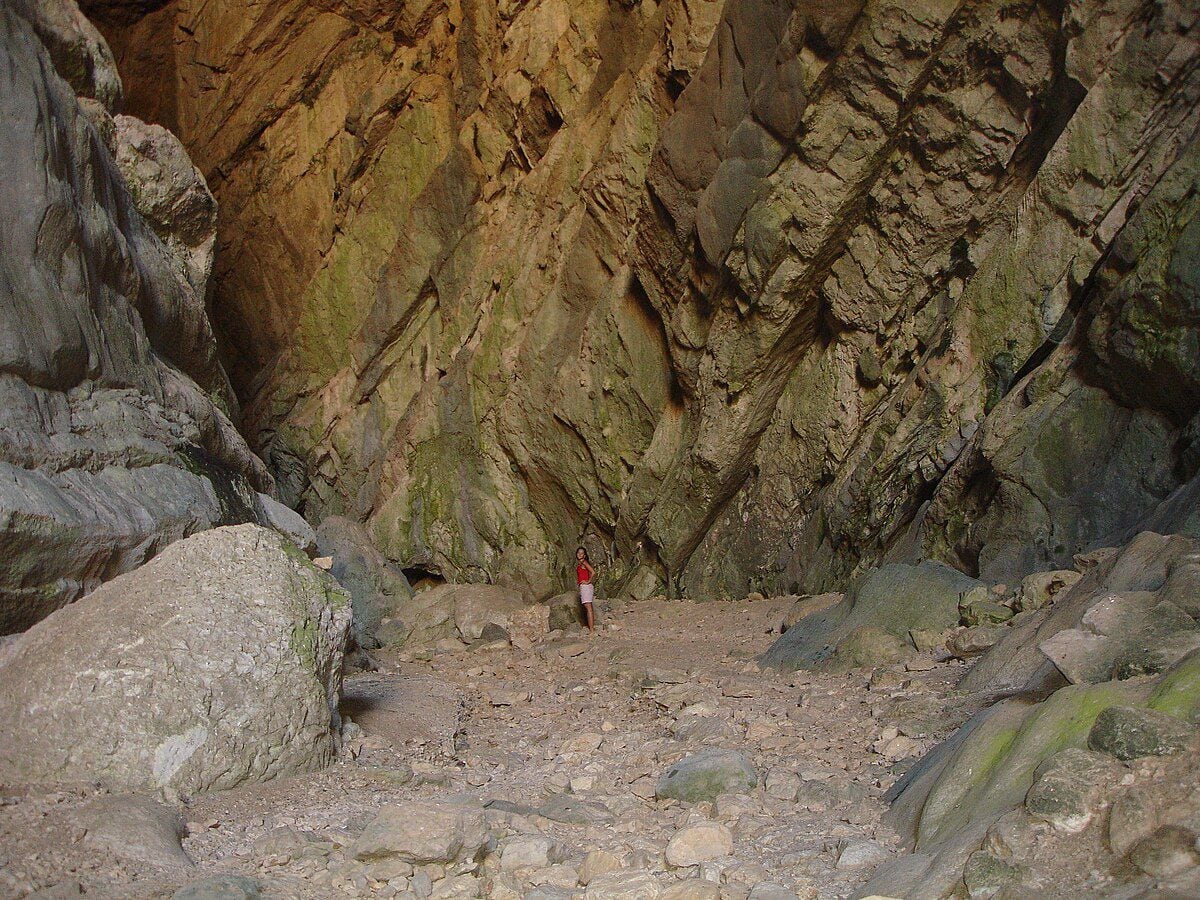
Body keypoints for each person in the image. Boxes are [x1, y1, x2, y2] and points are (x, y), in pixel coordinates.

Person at [575, 547, 596, 633]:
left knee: (589, 608)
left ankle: (591, 629)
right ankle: (591, 628)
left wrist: (588, 581)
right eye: (578, 553)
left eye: (582, 553)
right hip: (584, 587)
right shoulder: (580, 564)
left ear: (585, 555)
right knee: (588, 607)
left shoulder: (583, 562)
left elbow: (593, 572)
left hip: (586, 587)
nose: (580, 554)